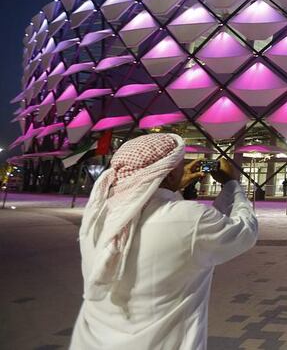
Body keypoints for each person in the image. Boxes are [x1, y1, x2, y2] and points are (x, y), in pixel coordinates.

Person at [70, 133, 258, 350]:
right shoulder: (190, 220)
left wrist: (171, 187)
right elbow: (244, 231)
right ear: (168, 173)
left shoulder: (99, 215)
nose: (186, 167)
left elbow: (156, 208)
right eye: (180, 164)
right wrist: (232, 184)